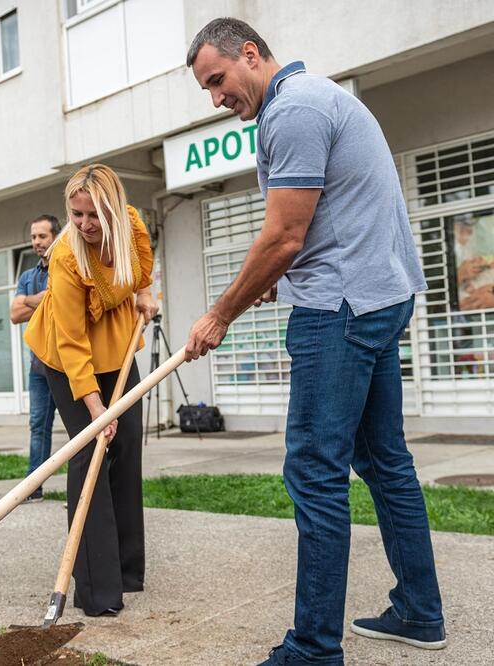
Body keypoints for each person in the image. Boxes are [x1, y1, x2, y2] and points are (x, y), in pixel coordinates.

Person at [185, 18, 444, 665]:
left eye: (218, 80)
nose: (217, 98)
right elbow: (318, 227)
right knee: (385, 462)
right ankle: (419, 610)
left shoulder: (291, 111)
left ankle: (313, 650)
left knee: (315, 473)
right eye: (207, 90)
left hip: (341, 311)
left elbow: (283, 236)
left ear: (250, 54)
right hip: (376, 295)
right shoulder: (321, 97)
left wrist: (219, 315)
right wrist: (280, 276)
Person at [24, 164, 158, 618]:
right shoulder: (66, 257)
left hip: (118, 352)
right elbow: (71, 341)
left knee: (125, 449)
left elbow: (142, 269)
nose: (84, 224)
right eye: (76, 214)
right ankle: (98, 589)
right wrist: (97, 406)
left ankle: (126, 569)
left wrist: (145, 293)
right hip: (66, 361)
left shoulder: (133, 224)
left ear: (114, 211)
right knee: (91, 453)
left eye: (93, 216)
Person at [9, 214, 61, 503]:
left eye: (42, 236)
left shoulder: (66, 269)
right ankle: (33, 488)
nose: (37, 242)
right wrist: (41, 299)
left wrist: (28, 300)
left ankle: (87, 486)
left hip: (66, 365)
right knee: (38, 425)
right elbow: (15, 314)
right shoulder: (28, 277)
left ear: (56, 236)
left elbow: (60, 301)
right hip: (38, 366)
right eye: (33, 237)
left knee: (82, 429)